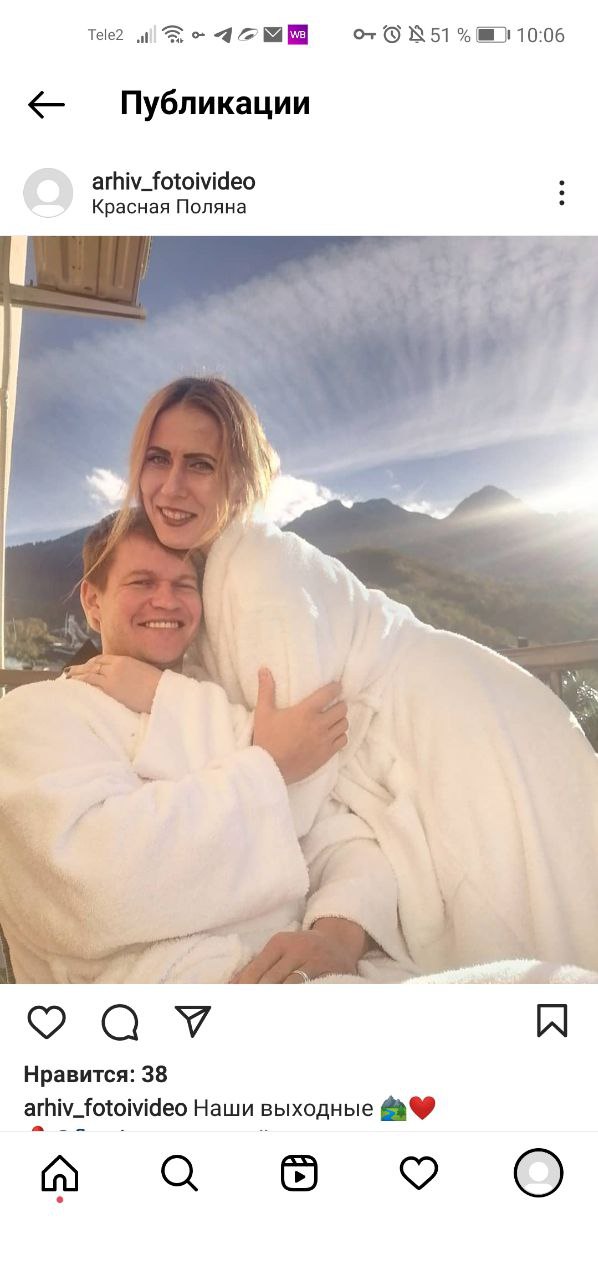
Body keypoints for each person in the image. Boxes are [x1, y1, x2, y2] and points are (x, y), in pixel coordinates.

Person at [80, 376, 598, 980]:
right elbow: (277, 754)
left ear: (238, 480)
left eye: (200, 464)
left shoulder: (256, 574)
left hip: (457, 741)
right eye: (157, 459)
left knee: (537, 957)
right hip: (450, 725)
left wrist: (159, 695)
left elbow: (298, 767)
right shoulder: (218, 571)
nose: (172, 486)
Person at [0, 510, 406, 984]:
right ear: (93, 602)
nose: (166, 600)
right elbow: (92, 884)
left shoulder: (219, 708)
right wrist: (270, 765)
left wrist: (336, 936)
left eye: (184, 585)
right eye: (142, 582)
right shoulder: (33, 714)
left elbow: (339, 834)